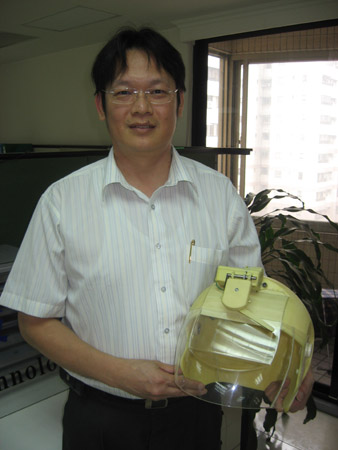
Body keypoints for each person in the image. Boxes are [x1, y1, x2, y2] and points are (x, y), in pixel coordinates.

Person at [0, 27, 313, 449]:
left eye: (158, 92)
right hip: (100, 420)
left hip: (196, 417)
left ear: (180, 102)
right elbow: (34, 320)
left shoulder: (219, 196)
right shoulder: (61, 202)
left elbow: (248, 301)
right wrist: (119, 372)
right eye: (124, 92)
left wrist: (284, 365)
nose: (141, 108)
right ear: (100, 105)